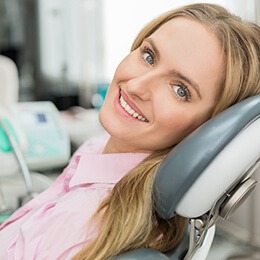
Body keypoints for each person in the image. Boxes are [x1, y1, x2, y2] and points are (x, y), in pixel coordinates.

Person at [0, 3, 259, 260]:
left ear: (206, 131)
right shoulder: (100, 149)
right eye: (149, 56)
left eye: (180, 90)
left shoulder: (81, 223)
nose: (135, 85)